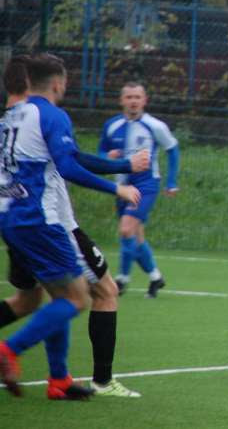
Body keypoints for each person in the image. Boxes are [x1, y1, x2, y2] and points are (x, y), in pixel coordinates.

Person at [0, 54, 146, 398]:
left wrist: (121, 165)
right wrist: (118, 186)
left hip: (10, 215)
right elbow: (69, 165)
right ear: (57, 83)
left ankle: (59, 380)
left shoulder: (9, 117)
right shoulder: (52, 115)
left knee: (43, 297)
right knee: (79, 297)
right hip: (41, 219)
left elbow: (66, 158)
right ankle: (9, 351)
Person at [99, 82, 180, 298]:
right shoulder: (111, 126)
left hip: (146, 185)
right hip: (121, 187)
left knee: (126, 230)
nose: (133, 101)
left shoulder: (155, 126)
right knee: (136, 236)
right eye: (129, 97)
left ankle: (121, 281)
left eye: (137, 97)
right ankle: (155, 278)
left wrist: (171, 182)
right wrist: (107, 158)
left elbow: (172, 150)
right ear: (121, 101)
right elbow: (100, 154)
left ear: (145, 101)